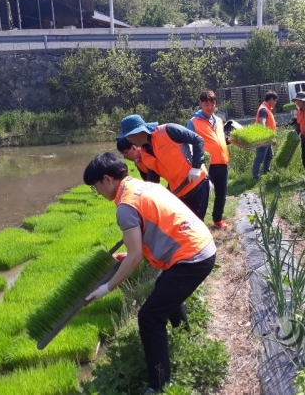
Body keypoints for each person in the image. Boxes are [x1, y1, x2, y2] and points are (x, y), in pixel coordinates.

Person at [84, 153, 216, 394]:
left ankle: (158, 384)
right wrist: (131, 254)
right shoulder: (141, 186)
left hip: (191, 257)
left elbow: (135, 259)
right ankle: (185, 337)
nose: (98, 192)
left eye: (95, 187)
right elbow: (145, 237)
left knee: (149, 318)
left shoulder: (125, 206)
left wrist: (107, 287)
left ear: (107, 179)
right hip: (200, 245)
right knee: (165, 292)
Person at [117, 114, 210, 220]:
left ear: (137, 132)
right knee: (184, 227)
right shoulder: (144, 153)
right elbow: (153, 180)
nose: (129, 140)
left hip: (196, 183)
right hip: (178, 192)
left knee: (196, 225)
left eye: (129, 136)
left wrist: (196, 167)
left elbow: (198, 140)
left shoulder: (168, 130)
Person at [187, 90, 230, 229]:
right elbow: (188, 144)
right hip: (205, 166)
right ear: (200, 104)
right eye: (206, 104)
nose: (210, 107)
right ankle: (199, 224)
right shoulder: (194, 122)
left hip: (222, 162)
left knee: (221, 194)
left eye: (212, 104)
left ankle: (218, 219)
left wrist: (228, 141)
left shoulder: (218, 120)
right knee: (202, 196)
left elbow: (218, 138)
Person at [252, 91, 278, 180]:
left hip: (268, 138)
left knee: (269, 155)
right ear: (271, 99)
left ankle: (266, 172)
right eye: (275, 101)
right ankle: (255, 177)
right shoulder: (263, 109)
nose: (275, 103)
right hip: (264, 138)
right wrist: (268, 137)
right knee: (260, 158)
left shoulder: (266, 108)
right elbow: (262, 122)